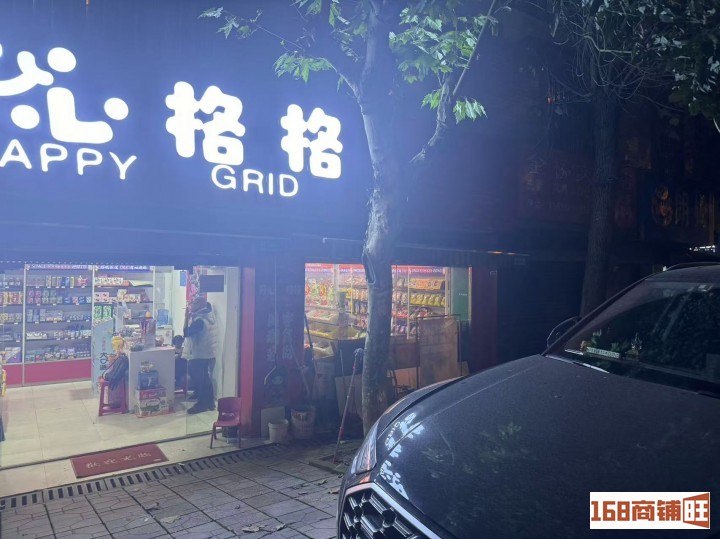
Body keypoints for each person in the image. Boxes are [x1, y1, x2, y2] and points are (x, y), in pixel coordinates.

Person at [183, 296, 217, 414]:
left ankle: (202, 404)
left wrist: (186, 317)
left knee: (200, 379)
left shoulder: (200, 320)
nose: (191, 306)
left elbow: (186, 333)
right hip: (207, 352)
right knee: (205, 378)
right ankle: (210, 402)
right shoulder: (208, 316)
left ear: (198, 305)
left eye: (192, 303)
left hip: (199, 354)